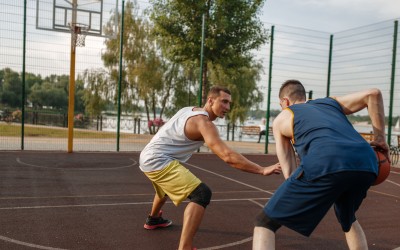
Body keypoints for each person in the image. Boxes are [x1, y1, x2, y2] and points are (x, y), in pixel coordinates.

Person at [252, 80, 390, 250]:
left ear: (285, 102)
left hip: (326, 158)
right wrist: (380, 138)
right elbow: (373, 94)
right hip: (367, 161)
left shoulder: (283, 117)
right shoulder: (329, 102)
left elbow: (289, 174)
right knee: (348, 219)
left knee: (264, 222)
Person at [139, 86, 281, 250]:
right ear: (210, 100)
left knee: (164, 188)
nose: (227, 107)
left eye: (229, 103)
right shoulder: (204, 123)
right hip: (157, 160)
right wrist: (261, 169)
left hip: (149, 156)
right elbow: (227, 156)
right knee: (201, 193)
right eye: (224, 102)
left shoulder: (189, 110)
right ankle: (185, 247)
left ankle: (154, 219)